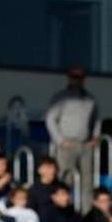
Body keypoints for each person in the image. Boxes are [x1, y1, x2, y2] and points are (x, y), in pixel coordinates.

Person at [45, 65, 99, 210]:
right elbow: (50, 119)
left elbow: (96, 119)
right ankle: (65, 210)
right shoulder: (61, 98)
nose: (77, 80)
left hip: (85, 144)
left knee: (87, 181)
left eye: (80, 78)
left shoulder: (90, 99)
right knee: (65, 178)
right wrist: (60, 140)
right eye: (74, 77)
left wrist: (94, 137)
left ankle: (85, 213)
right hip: (66, 144)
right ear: (69, 78)